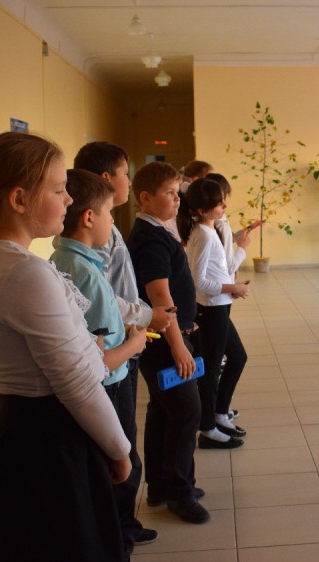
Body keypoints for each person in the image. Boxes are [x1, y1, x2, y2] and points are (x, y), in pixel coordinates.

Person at [0, 131, 131, 562]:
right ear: (19, 199)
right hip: (48, 444)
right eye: (58, 190)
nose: (69, 199)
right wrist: (120, 450)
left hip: (17, 429)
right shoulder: (25, 273)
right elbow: (77, 384)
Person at [73, 141, 175, 549]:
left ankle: (123, 522)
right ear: (105, 179)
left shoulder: (108, 227)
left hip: (123, 344)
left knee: (124, 436)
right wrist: (147, 318)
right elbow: (107, 298)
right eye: (124, 174)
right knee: (120, 444)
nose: (128, 182)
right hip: (116, 351)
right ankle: (119, 528)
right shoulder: (94, 239)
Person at [49, 169, 153, 556]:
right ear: (90, 217)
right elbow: (98, 359)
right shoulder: (84, 274)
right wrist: (135, 341)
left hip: (108, 378)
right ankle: (119, 537)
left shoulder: (72, 260)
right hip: (109, 385)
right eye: (109, 212)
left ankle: (119, 530)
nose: (112, 221)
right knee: (121, 461)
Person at [126, 162, 209, 524]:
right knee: (187, 410)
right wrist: (178, 347)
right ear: (145, 198)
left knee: (163, 410)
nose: (178, 200)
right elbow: (160, 296)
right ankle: (180, 491)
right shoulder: (150, 238)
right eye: (170, 194)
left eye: (178, 193)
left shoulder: (158, 229)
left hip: (167, 336)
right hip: (164, 339)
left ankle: (161, 485)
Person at [176, 178, 250, 449]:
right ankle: (207, 428)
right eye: (219, 203)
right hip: (211, 309)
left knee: (238, 357)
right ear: (202, 210)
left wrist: (230, 287)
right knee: (210, 370)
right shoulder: (205, 235)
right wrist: (232, 288)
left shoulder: (210, 230)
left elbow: (219, 270)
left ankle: (219, 414)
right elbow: (199, 282)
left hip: (219, 306)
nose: (225, 206)